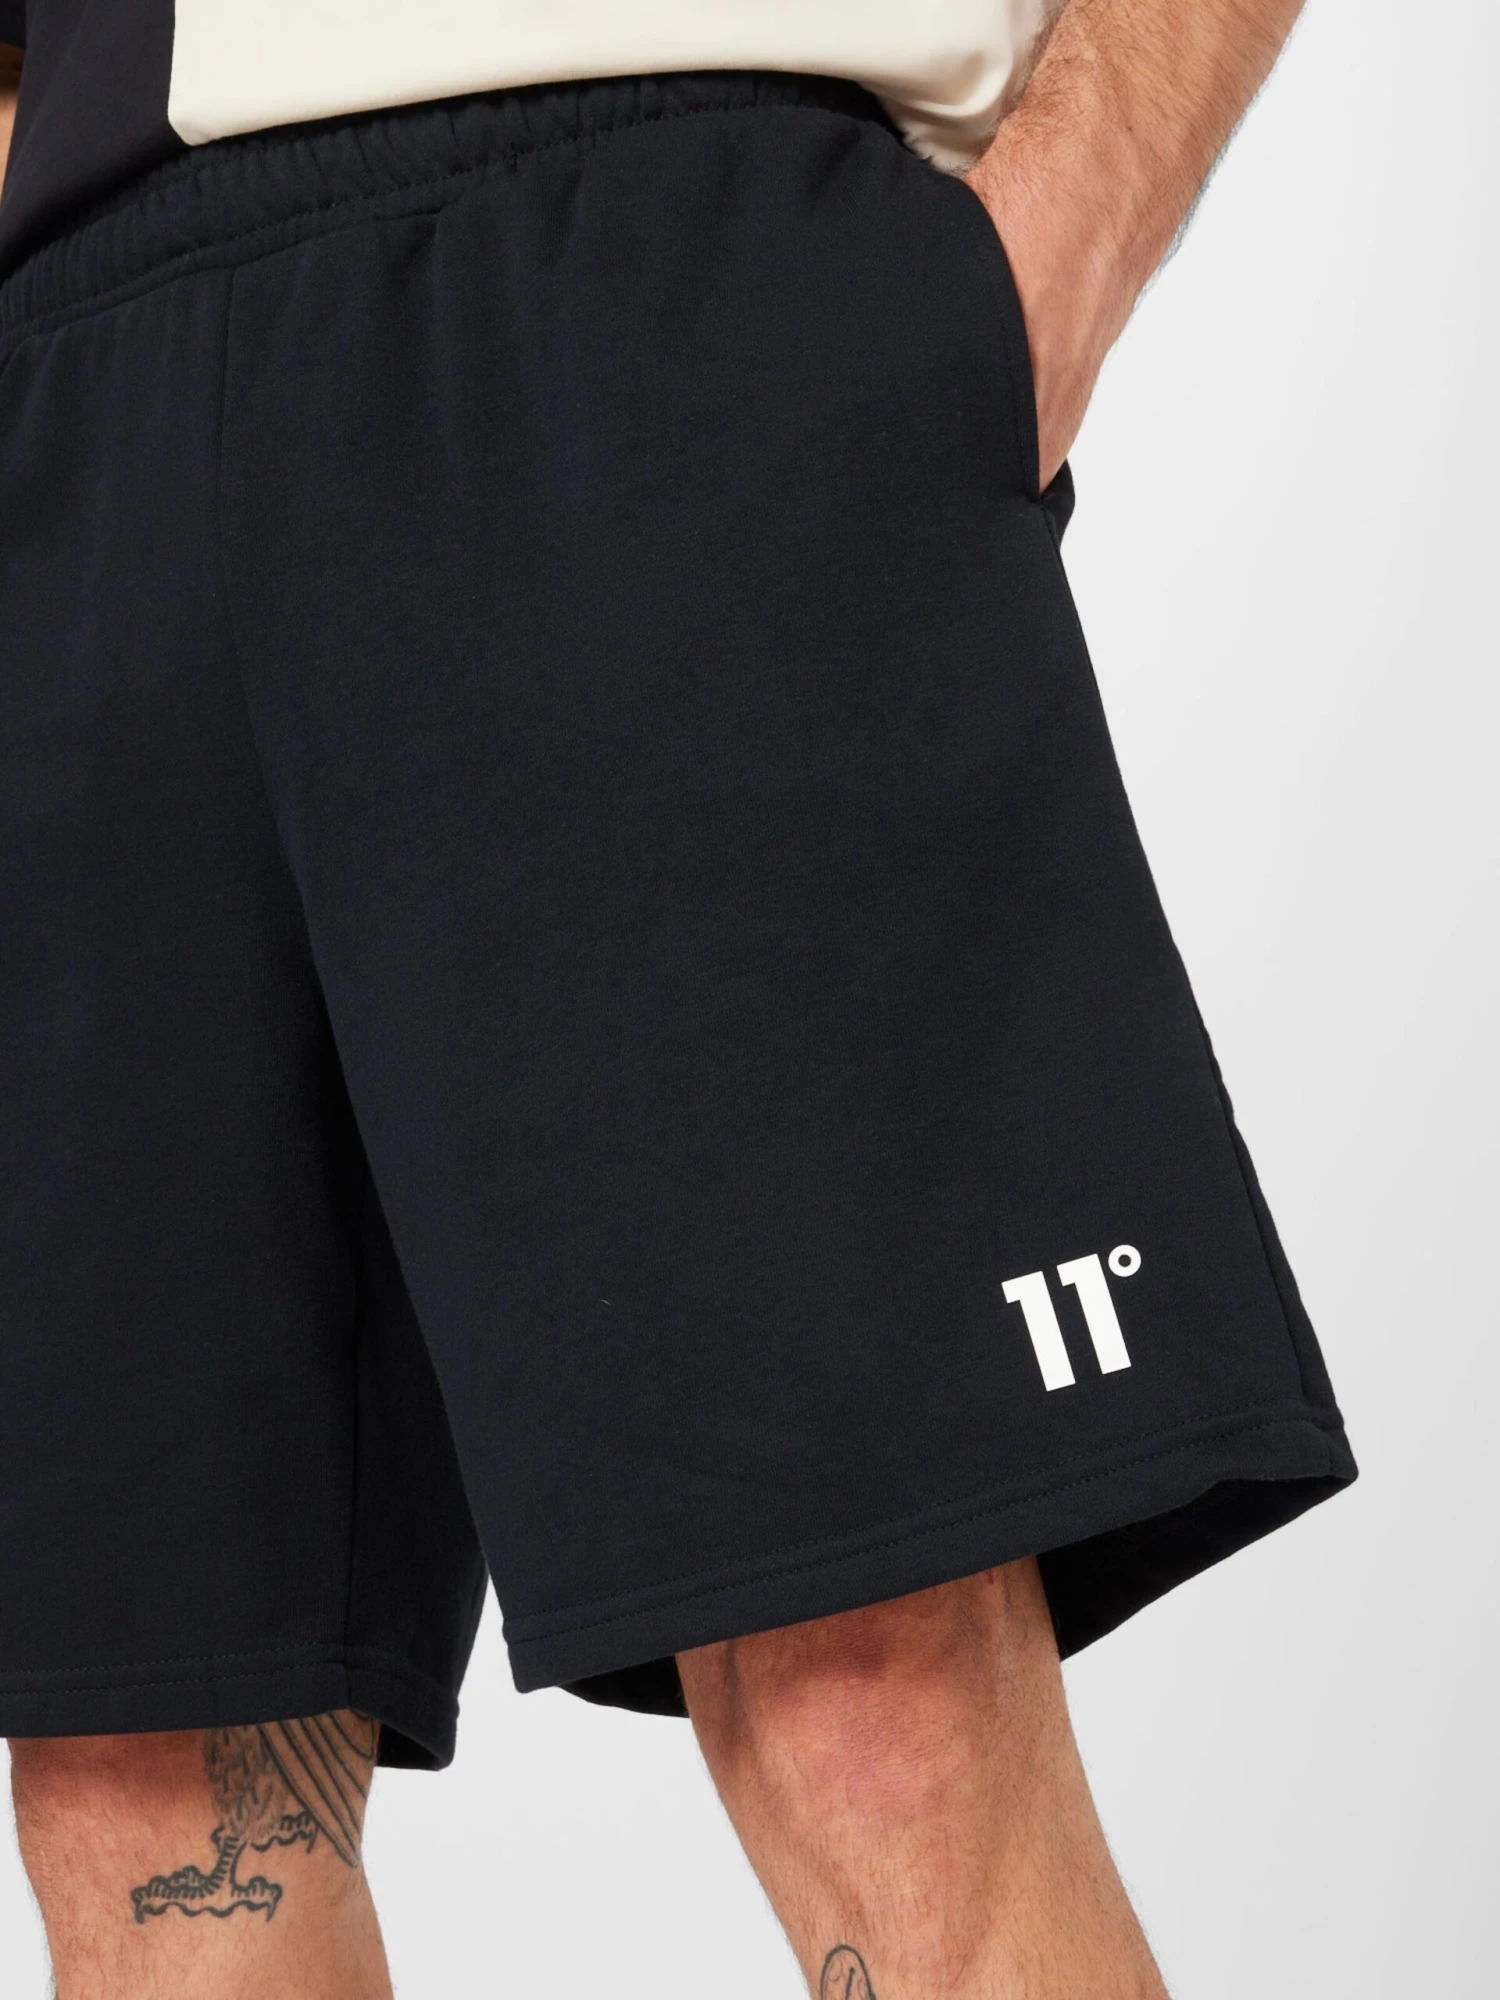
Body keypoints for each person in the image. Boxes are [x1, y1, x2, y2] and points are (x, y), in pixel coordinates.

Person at [0, 4, 1355, 1996]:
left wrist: (1063, 231)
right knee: (151, 1807)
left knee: (870, 1705)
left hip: (658, 236)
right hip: (82, 328)